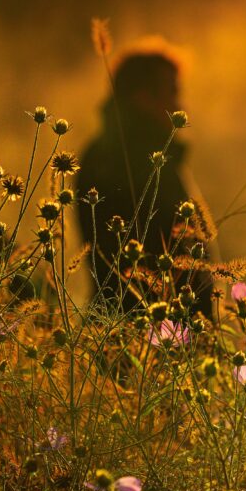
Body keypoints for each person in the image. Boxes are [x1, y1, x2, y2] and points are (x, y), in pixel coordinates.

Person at [76, 45, 213, 318]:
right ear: (142, 98)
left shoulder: (107, 151)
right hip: (150, 325)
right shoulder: (137, 159)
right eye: (172, 92)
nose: (179, 106)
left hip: (123, 320)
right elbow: (169, 247)